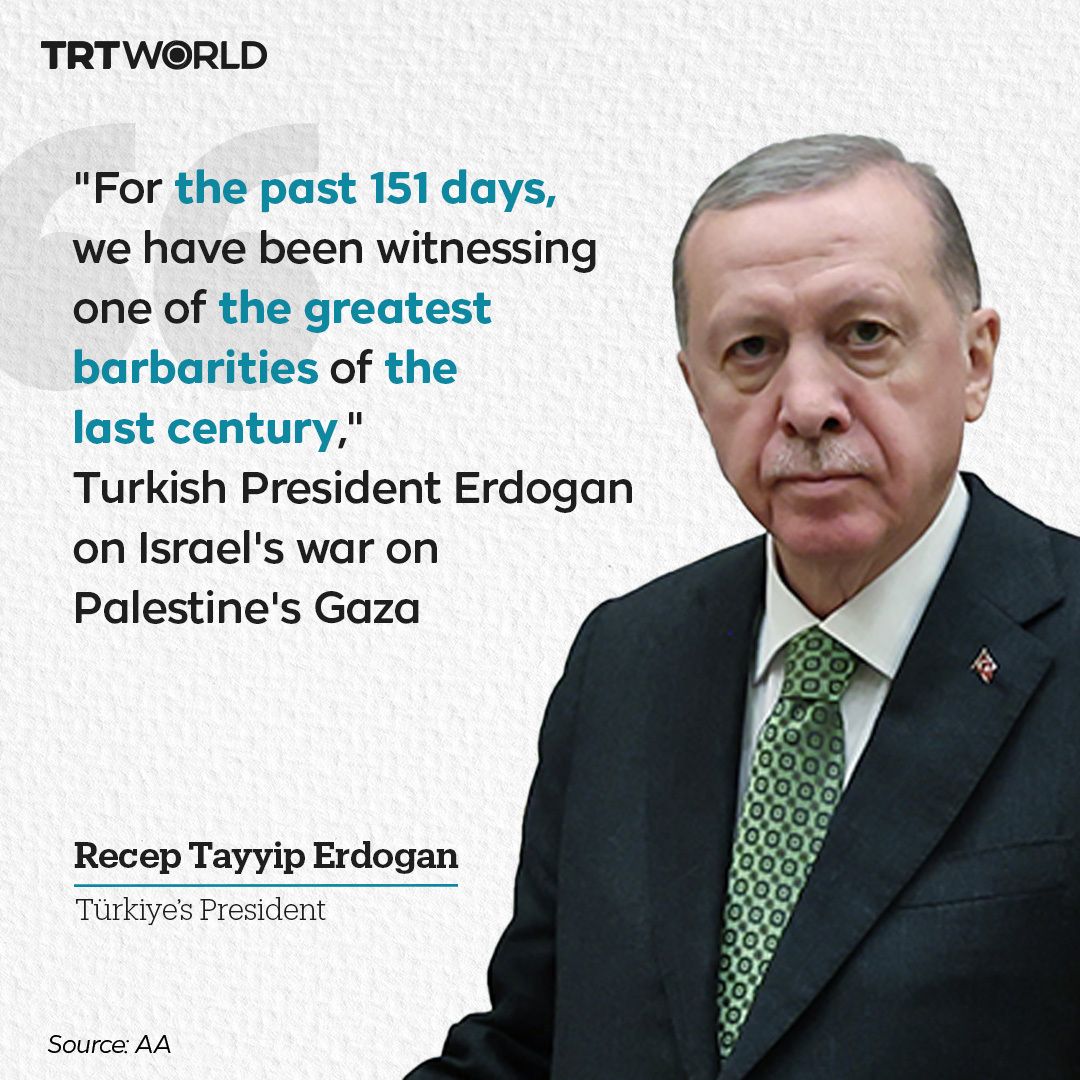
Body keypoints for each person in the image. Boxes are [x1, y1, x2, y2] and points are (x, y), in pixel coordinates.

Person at [406, 135, 1080, 1079]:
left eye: (864, 334)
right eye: (752, 349)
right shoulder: (625, 658)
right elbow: (531, 1044)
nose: (806, 404)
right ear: (697, 388)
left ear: (975, 361)